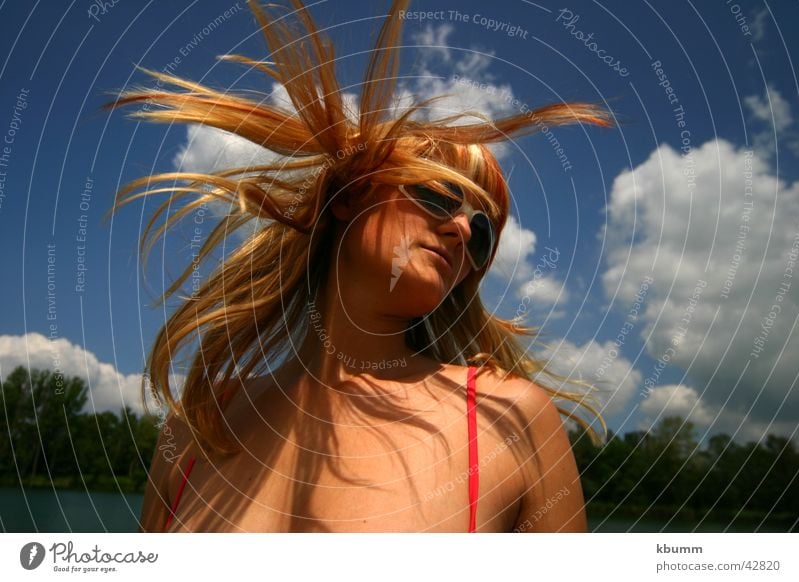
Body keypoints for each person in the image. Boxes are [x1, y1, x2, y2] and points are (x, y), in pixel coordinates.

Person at [103, 0, 612, 532]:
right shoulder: (200, 424)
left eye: (483, 234)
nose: (463, 230)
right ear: (349, 196)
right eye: (441, 194)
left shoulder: (508, 418)